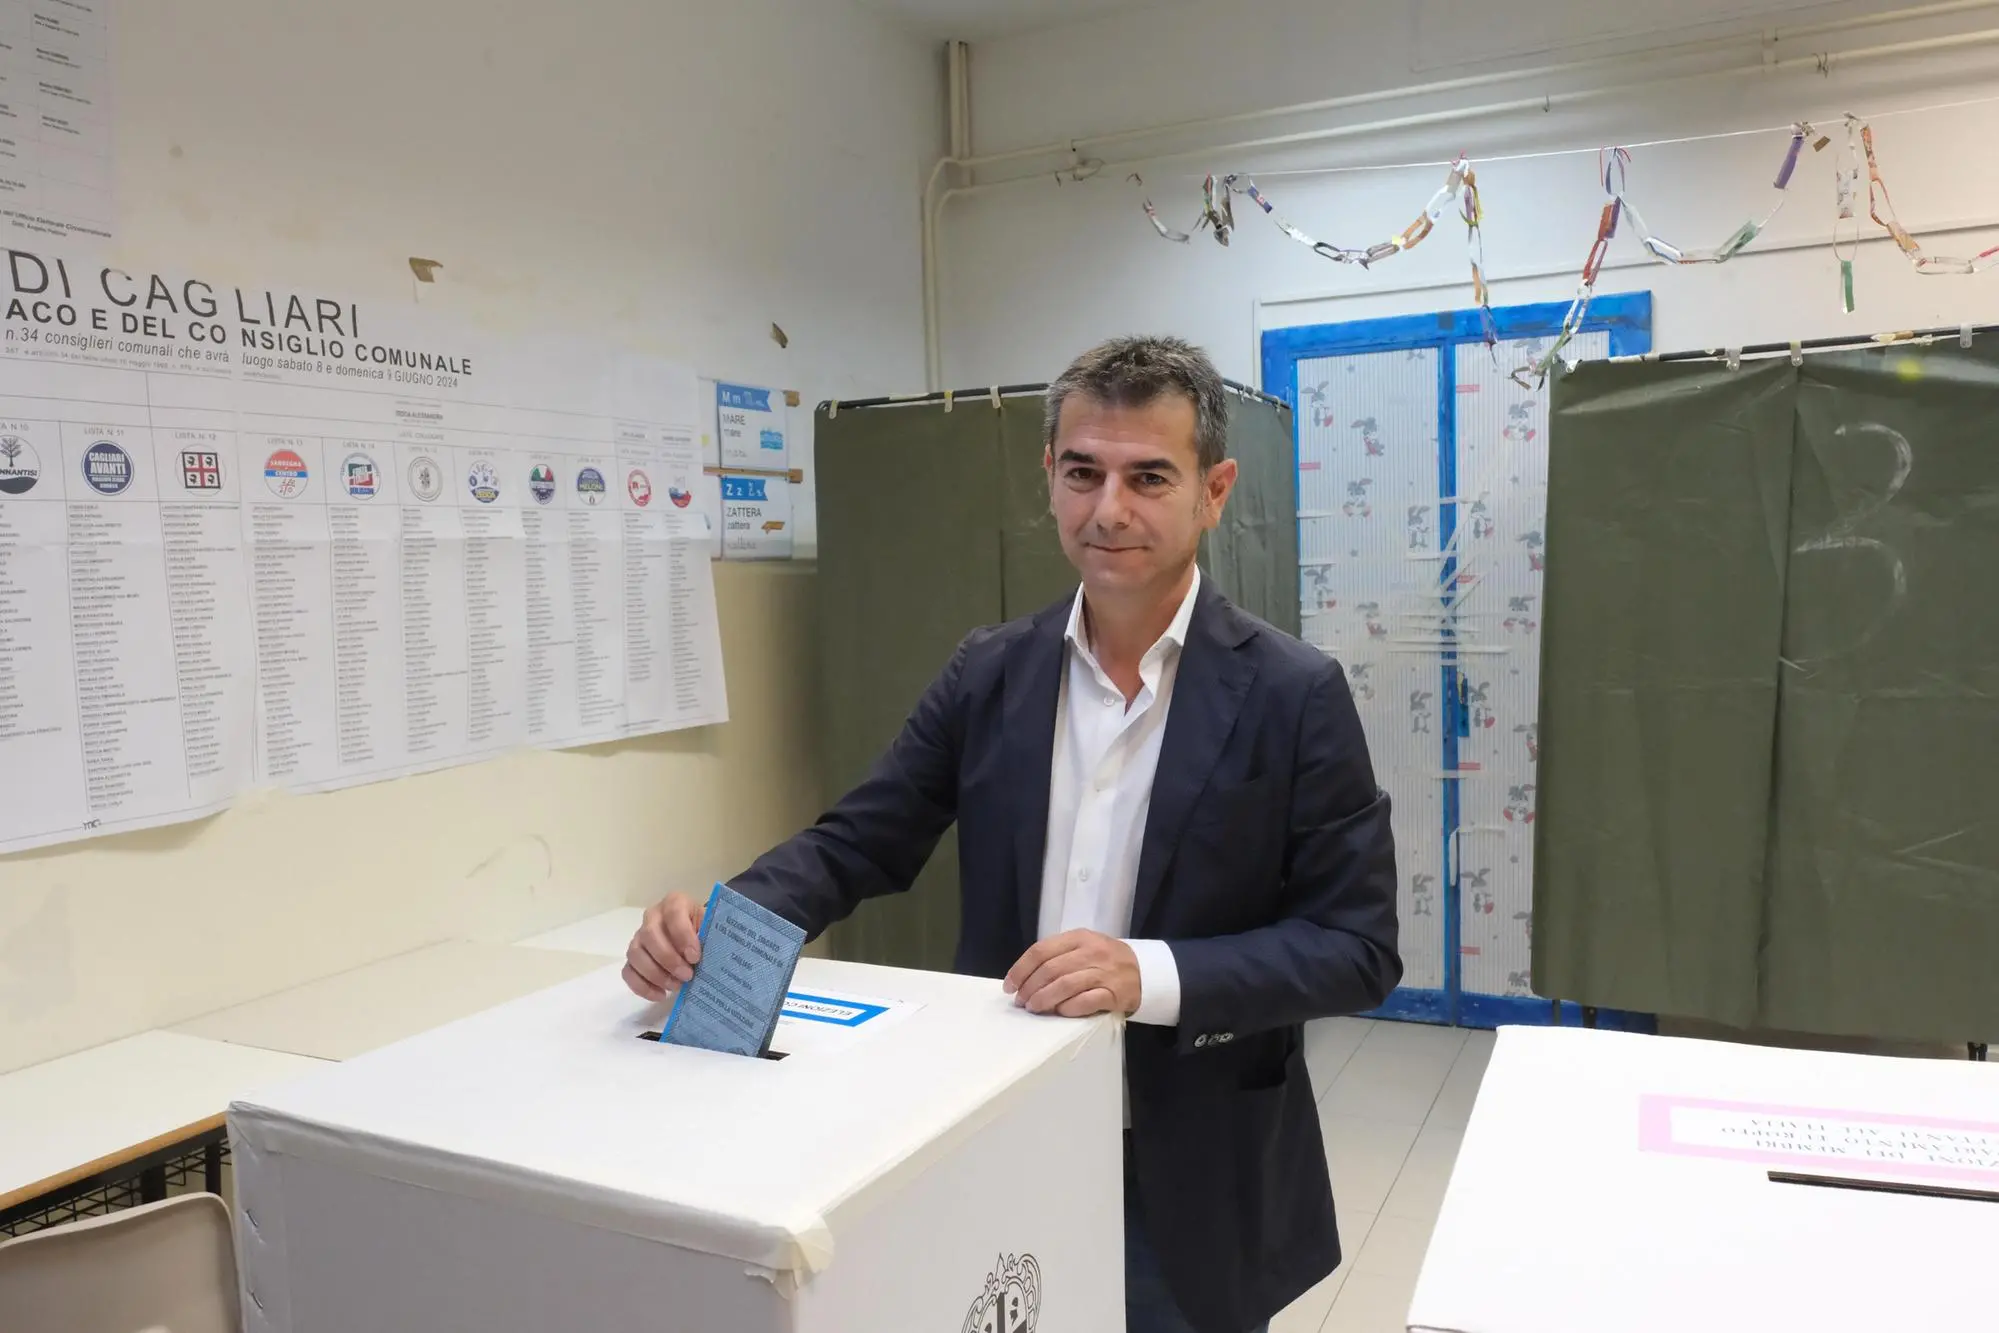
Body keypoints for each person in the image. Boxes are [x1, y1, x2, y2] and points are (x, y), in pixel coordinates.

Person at [625, 335, 1400, 1333]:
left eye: (1147, 476)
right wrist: (714, 925)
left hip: (1191, 1155)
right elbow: (859, 839)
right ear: (1048, 479)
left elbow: (1357, 946)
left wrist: (1146, 973)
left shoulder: (1294, 694)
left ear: (1214, 490)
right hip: (996, 1123)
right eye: (1082, 472)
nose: (1108, 508)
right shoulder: (989, 672)